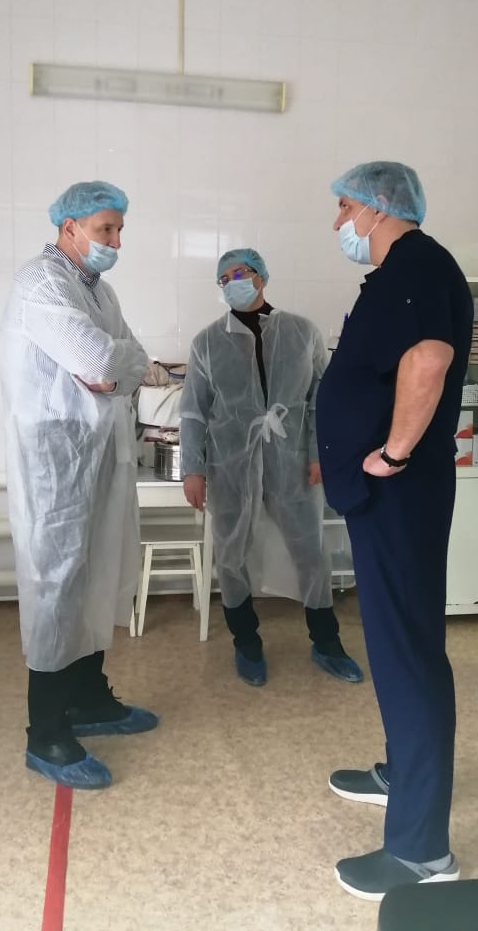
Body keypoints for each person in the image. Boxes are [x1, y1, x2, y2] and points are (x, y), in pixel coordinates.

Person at [316, 162, 473, 902]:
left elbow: (429, 360)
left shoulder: (418, 265)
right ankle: (401, 773)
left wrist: (394, 453)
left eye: (345, 207)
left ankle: (420, 852)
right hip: (387, 494)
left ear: (380, 207)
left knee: (408, 652)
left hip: (399, 491)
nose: (339, 222)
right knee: (396, 643)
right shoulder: (403, 272)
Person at [0, 180, 159, 790]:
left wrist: (117, 368)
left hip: (98, 452)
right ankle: (46, 732)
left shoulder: (99, 290)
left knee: (97, 572)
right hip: (55, 460)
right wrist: (116, 367)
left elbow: (134, 361)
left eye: (118, 229)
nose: (116, 241)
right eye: (104, 230)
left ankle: (90, 698)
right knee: (57, 583)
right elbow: (100, 364)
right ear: (69, 228)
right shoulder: (41, 283)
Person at [179, 248, 364, 687]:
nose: (232, 283)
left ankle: (327, 642)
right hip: (230, 464)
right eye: (224, 279)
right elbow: (193, 412)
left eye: (240, 273)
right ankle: (246, 642)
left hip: (294, 458)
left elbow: (322, 399)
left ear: (261, 276)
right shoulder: (207, 343)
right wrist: (193, 469)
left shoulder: (301, 332)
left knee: (310, 550)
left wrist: (319, 453)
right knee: (231, 553)